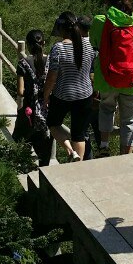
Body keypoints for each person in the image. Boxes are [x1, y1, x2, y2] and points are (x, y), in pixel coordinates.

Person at [90, 0, 133, 158]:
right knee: (130, 119)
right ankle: (126, 155)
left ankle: (104, 146)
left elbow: (94, 43)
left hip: (106, 76)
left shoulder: (100, 20)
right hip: (132, 79)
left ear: (107, 1)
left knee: (106, 109)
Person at [44, 12, 95, 162]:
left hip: (63, 94)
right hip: (85, 94)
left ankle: (71, 151)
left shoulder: (58, 48)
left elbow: (51, 77)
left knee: (53, 123)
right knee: (79, 134)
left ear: (61, 29)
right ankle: (78, 166)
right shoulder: (87, 43)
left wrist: (46, 96)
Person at [13, 29, 52, 166]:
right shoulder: (52, 62)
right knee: (44, 157)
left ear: (28, 46)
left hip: (29, 113)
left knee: (19, 148)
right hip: (47, 113)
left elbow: (20, 91)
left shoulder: (23, 63)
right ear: (44, 43)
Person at [77, 15, 101, 159]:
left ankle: (88, 162)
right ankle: (103, 160)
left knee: (83, 133)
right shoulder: (96, 47)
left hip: (82, 95)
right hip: (98, 96)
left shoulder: (77, 47)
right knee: (100, 132)